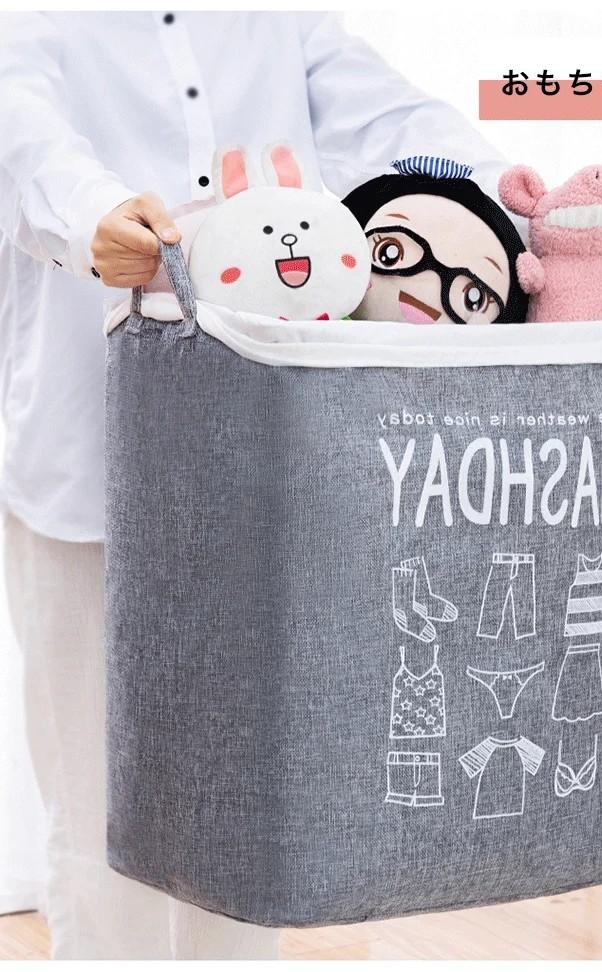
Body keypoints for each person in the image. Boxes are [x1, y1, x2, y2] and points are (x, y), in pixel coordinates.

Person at [0, 11, 509, 959]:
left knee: (247, 797)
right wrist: (91, 215)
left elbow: (398, 124)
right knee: (96, 792)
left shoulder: (281, 21)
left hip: (259, 473)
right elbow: (18, 128)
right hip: (86, 467)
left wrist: (507, 206)